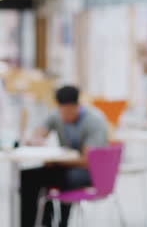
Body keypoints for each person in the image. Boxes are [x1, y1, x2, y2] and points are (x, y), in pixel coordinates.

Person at [21, 85, 109, 227]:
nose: (64, 117)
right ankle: (36, 223)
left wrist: (57, 162)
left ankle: (63, 223)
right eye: (62, 112)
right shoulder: (57, 115)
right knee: (27, 177)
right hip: (65, 167)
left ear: (76, 106)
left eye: (68, 112)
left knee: (60, 178)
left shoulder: (94, 120)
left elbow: (88, 161)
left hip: (90, 172)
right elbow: (39, 133)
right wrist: (35, 139)